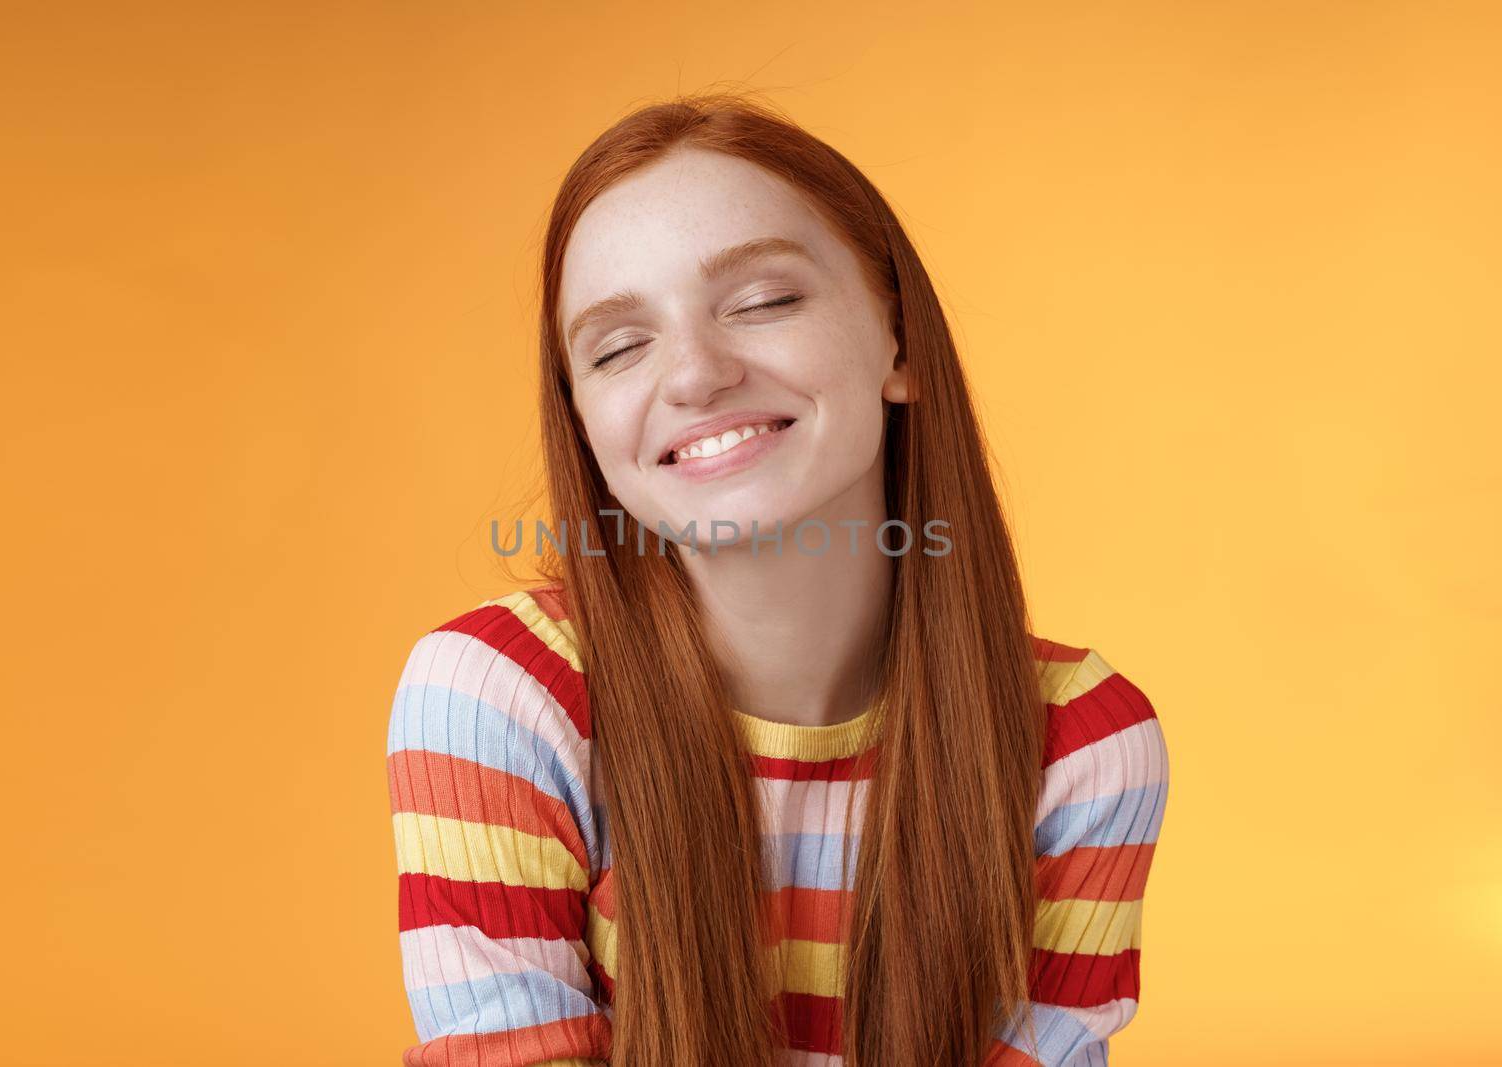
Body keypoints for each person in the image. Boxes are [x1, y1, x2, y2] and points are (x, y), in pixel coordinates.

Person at [385, 91, 1169, 1067]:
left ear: (902, 343)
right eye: (618, 346)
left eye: (763, 301)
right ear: (585, 423)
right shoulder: (497, 696)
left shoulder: (1082, 745)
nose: (694, 375)